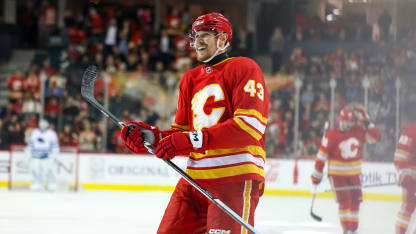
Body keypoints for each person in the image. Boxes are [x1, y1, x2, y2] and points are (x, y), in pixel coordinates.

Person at [120, 12, 269, 234]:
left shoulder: (244, 67)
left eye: (205, 34)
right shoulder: (189, 79)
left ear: (223, 39)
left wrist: (191, 139)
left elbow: (250, 126)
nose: (197, 41)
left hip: (234, 178)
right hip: (193, 180)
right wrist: (150, 138)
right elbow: (180, 134)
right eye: (195, 35)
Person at [311, 105, 380, 234]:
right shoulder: (331, 135)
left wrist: (367, 121)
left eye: (351, 121)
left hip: (354, 176)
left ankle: (353, 230)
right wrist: (317, 174)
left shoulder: (358, 131)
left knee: (356, 201)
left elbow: (376, 137)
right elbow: (321, 157)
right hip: (338, 177)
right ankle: (347, 230)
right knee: (346, 202)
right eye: (346, 121)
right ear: (340, 120)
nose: (349, 124)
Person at [394, 123, 416, 234]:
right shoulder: (411, 130)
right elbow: (400, 156)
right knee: (408, 206)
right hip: (412, 178)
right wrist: (404, 172)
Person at [28, 118, 59, 191]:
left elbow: (55, 146)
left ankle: (51, 184)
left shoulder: (51, 133)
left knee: (48, 170)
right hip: (35, 155)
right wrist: (29, 153)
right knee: (35, 170)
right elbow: (31, 144)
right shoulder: (35, 132)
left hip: (47, 155)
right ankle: (37, 183)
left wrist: (54, 155)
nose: (42, 125)